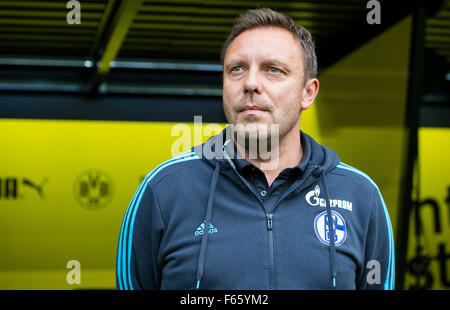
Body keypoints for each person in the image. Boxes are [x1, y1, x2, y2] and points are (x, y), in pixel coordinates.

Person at [116, 8, 395, 290]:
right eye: (237, 69)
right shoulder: (163, 190)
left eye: (273, 70)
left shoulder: (362, 196)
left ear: (307, 92)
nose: (250, 83)